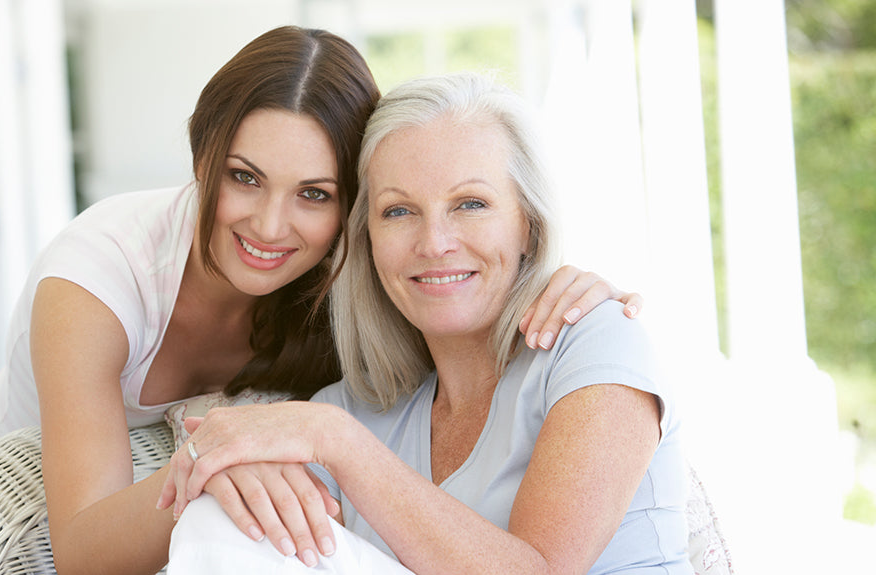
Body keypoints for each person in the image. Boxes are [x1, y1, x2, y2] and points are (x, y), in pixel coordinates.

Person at [161, 72, 690, 574]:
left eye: (471, 204)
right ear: (365, 241)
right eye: (398, 211)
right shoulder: (353, 411)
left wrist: (333, 440)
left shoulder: (596, 342)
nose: (434, 242)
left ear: (528, 225)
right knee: (221, 515)